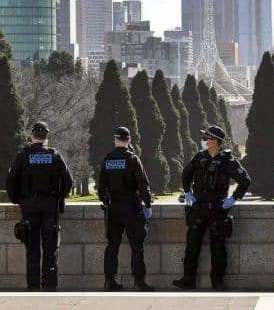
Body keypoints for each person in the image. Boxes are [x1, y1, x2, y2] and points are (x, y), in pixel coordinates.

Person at [172, 125, 251, 291]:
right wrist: (187, 192)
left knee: (218, 249)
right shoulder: (200, 157)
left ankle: (217, 282)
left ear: (215, 141)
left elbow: (245, 180)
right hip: (198, 208)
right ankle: (188, 280)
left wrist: (234, 198)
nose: (204, 141)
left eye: (206, 138)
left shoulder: (227, 160)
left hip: (218, 209)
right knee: (192, 246)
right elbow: (186, 174)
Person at [6, 121, 73, 291]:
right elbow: (68, 180)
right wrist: (59, 196)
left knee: (32, 247)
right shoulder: (54, 155)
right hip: (50, 205)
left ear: (32, 136)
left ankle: (33, 285)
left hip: (29, 205)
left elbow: (11, 180)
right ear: (46, 137)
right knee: (50, 248)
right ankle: (50, 284)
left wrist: (18, 199)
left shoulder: (23, 155)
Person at [97, 126, 154, 292]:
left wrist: (106, 200)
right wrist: (148, 204)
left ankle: (109, 281)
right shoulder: (132, 159)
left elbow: (101, 188)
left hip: (113, 208)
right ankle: (139, 282)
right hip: (131, 207)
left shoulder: (107, 159)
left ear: (115, 140)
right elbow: (143, 185)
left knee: (112, 246)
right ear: (128, 140)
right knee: (136, 246)